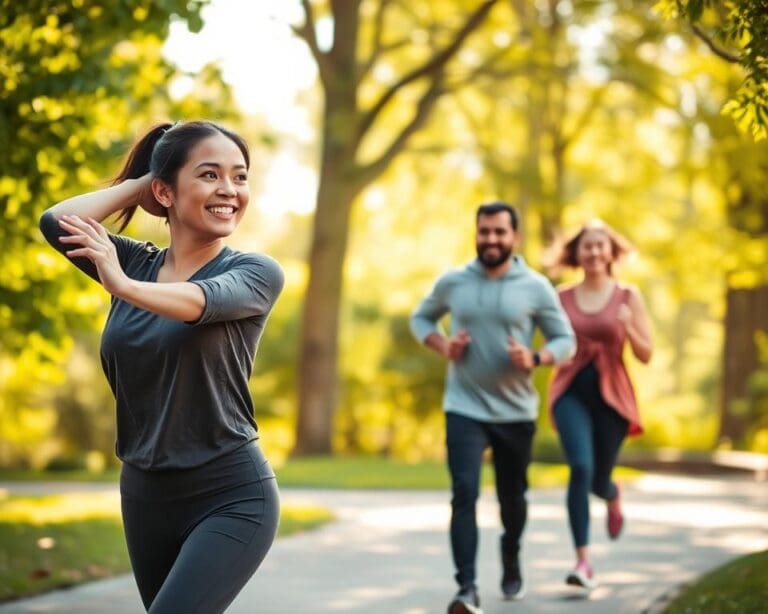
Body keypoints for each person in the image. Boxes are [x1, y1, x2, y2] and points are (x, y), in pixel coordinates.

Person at [39, 121, 284, 613]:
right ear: (166, 192)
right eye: (210, 175)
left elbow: (197, 301)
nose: (229, 191)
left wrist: (121, 286)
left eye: (240, 177)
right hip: (144, 493)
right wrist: (142, 184)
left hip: (231, 494)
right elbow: (56, 221)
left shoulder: (254, 273)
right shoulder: (135, 263)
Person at [410, 201, 576, 614]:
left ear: (514, 237)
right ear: (477, 233)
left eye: (499, 232)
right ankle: (466, 588)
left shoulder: (536, 287)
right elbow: (421, 319)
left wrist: (536, 359)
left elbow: (565, 340)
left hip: (516, 411)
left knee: (512, 497)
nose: (491, 240)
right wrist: (443, 345)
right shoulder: (454, 281)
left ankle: (511, 553)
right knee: (463, 492)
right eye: (484, 231)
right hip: (463, 405)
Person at [547, 219, 653, 591]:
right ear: (576, 253)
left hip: (612, 398)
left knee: (597, 480)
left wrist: (630, 327)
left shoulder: (628, 296)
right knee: (580, 467)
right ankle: (583, 561)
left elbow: (646, 354)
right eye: (586, 246)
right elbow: (552, 343)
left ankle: (611, 493)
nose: (593, 252)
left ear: (610, 252)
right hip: (571, 391)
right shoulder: (560, 296)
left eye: (599, 245)